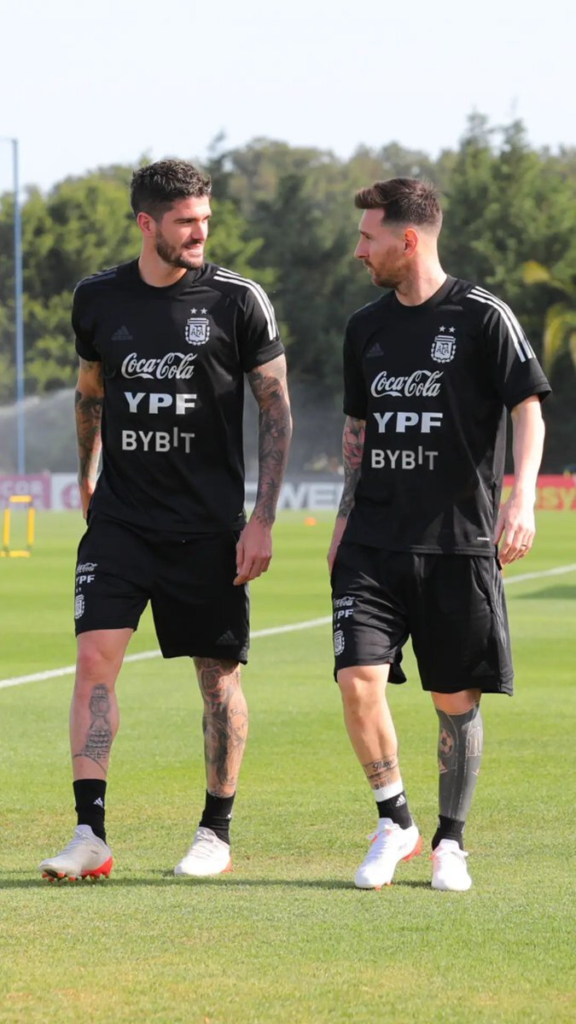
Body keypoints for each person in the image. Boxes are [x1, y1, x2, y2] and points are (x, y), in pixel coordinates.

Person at [39, 159, 292, 881]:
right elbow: (91, 391)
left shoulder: (239, 300)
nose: (200, 233)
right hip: (121, 523)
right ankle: (90, 834)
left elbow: (275, 408)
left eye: (205, 219)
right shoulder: (97, 297)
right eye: (185, 222)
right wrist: (86, 472)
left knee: (217, 680)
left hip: (209, 529)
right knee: (94, 662)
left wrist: (262, 519)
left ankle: (215, 831)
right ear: (147, 223)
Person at [327, 177, 550, 892]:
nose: (360, 251)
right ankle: (394, 820)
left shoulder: (483, 316)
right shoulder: (364, 328)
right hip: (373, 541)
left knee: (455, 701)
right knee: (357, 680)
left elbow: (528, 406)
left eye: (369, 238)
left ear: (408, 239)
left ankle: (450, 842)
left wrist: (522, 500)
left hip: (457, 542)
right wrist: (342, 521)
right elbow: (358, 432)